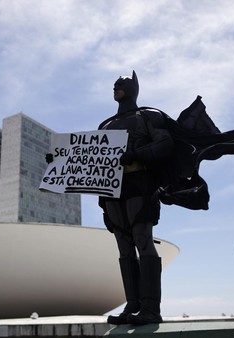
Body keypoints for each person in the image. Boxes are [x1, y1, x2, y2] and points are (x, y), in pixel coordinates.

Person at [98, 71, 174, 325]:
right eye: (115, 85)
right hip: (113, 189)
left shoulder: (147, 116)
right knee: (123, 244)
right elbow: (95, 163)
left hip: (141, 182)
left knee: (142, 239)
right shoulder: (105, 125)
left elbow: (166, 144)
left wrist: (136, 155)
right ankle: (133, 305)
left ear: (133, 89)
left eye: (122, 84)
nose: (116, 87)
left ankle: (151, 308)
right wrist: (59, 161)